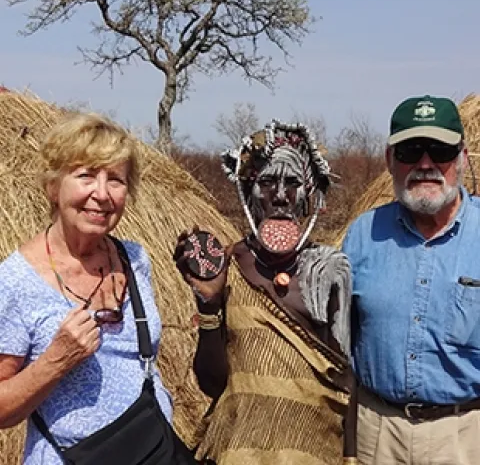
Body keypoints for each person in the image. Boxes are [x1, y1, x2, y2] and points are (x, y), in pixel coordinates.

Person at [175, 120, 356, 465]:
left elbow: (345, 386)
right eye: (267, 182)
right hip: (240, 452)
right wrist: (210, 303)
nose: (280, 195)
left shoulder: (329, 273)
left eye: (293, 184)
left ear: (309, 196)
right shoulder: (227, 267)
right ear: (248, 191)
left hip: (315, 454)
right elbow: (213, 384)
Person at [0, 113, 173, 464]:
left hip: (152, 453)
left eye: (116, 180)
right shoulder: (16, 281)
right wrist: (55, 360)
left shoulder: (135, 259)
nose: (102, 194)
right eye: (86, 176)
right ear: (53, 186)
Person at [342, 95, 480, 465]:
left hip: (465, 435)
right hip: (377, 432)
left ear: (462, 158)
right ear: (389, 160)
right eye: (410, 151)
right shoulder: (362, 235)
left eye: (439, 151)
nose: (425, 164)